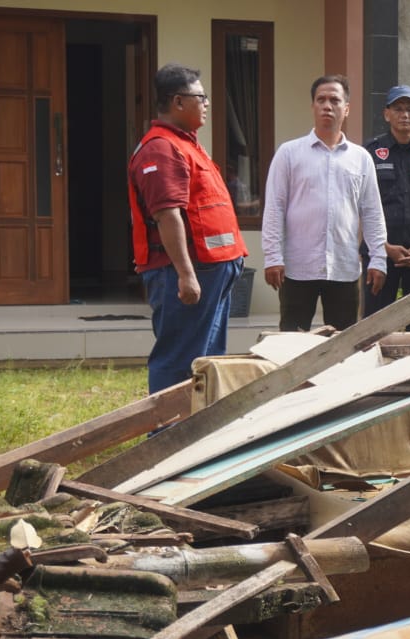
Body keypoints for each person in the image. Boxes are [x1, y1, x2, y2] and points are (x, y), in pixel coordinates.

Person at [128, 63, 247, 395]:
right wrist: (185, 274)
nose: (206, 103)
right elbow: (167, 215)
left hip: (214, 268)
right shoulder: (161, 148)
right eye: (201, 96)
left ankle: (198, 430)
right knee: (178, 358)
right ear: (178, 102)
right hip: (188, 272)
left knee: (206, 358)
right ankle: (167, 434)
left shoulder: (188, 144)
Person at [261, 75, 387, 332]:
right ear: (312, 107)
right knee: (291, 345)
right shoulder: (289, 153)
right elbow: (275, 207)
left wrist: (378, 258)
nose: (327, 106)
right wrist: (272, 256)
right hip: (298, 268)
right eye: (321, 100)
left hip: (344, 268)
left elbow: (372, 212)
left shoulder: (361, 158)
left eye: (334, 100)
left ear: (347, 108)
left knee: (342, 346)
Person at [362, 85, 410, 330]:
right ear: (387, 114)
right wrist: (384, 248)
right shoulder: (371, 153)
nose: (404, 115)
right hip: (380, 255)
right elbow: (361, 207)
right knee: (375, 326)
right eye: (398, 109)